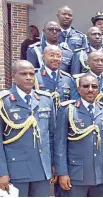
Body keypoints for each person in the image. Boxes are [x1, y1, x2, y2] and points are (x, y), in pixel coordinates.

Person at [0, 60, 57, 196]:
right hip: (16, 170)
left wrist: (54, 164)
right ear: (12, 76)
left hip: (42, 169)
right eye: (23, 73)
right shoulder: (4, 101)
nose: (29, 77)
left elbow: (52, 135)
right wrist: (2, 172)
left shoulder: (45, 99)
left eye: (32, 74)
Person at [54, 73, 103, 196]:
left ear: (99, 89)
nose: (90, 90)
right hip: (75, 174)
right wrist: (62, 172)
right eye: (85, 86)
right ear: (78, 89)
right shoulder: (68, 109)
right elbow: (60, 144)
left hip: (101, 174)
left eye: (94, 86)